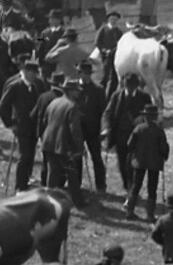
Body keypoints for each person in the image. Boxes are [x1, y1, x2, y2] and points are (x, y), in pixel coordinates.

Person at [0, 60, 49, 191]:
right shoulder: (15, 86)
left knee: (31, 155)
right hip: (21, 126)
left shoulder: (38, 84)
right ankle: (20, 186)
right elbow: (1, 107)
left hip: (34, 126)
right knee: (24, 155)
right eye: (32, 73)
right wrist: (10, 124)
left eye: (36, 73)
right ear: (25, 72)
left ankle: (27, 180)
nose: (34, 76)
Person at [42, 79, 85, 204]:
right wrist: (80, 148)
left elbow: (45, 120)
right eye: (77, 91)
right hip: (62, 146)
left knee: (53, 173)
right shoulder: (72, 106)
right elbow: (75, 130)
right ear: (70, 92)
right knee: (71, 173)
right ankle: (78, 201)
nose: (79, 93)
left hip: (48, 142)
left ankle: (47, 200)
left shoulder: (54, 102)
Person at [125, 104, 168, 221]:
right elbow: (164, 148)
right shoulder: (159, 131)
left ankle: (130, 211)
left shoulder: (138, 129)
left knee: (135, 186)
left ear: (145, 117)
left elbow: (129, 144)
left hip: (139, 162)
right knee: (152, 188)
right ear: (154, 117)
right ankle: (150, 215)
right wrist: (165, 156)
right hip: (154, 163)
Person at [75, 60, 107, 193]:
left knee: (97, 158)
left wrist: (103, 128)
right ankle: (77, 184)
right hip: (78, 129)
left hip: (93, 130)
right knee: (77, 157)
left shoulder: (98, 90)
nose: (86, 76)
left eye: (88, 73)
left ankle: (101, 185)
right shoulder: (74, 89)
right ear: (79, 74)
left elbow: (104, 111)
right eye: (84, 73)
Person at [95, 11, 124, 94]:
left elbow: (121, 43)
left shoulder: (118, 31)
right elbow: (97, 42)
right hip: (106, 56)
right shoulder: (103, 29)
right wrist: (104, 50)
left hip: (116, 56)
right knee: (105, 76)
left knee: (114, 78)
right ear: (108, 19)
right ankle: (100, 94)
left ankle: (110, 96)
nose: (113, 21)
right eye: (112, 19)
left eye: (115, 19)